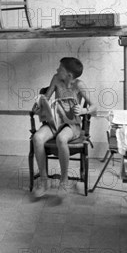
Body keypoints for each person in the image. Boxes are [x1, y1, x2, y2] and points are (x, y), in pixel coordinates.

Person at [32, 57, 96, 199]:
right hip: (56, 121)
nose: (56, 70)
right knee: (37, 138)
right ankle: (44, 180)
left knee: (62, 139)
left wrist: (84, 110)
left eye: (60, 68)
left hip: (72, 125)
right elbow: (46, 97)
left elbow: (94, 107)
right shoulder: (56, 79)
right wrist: (39, 105)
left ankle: (64, 180)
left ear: (69, 75)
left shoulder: (79, 85)